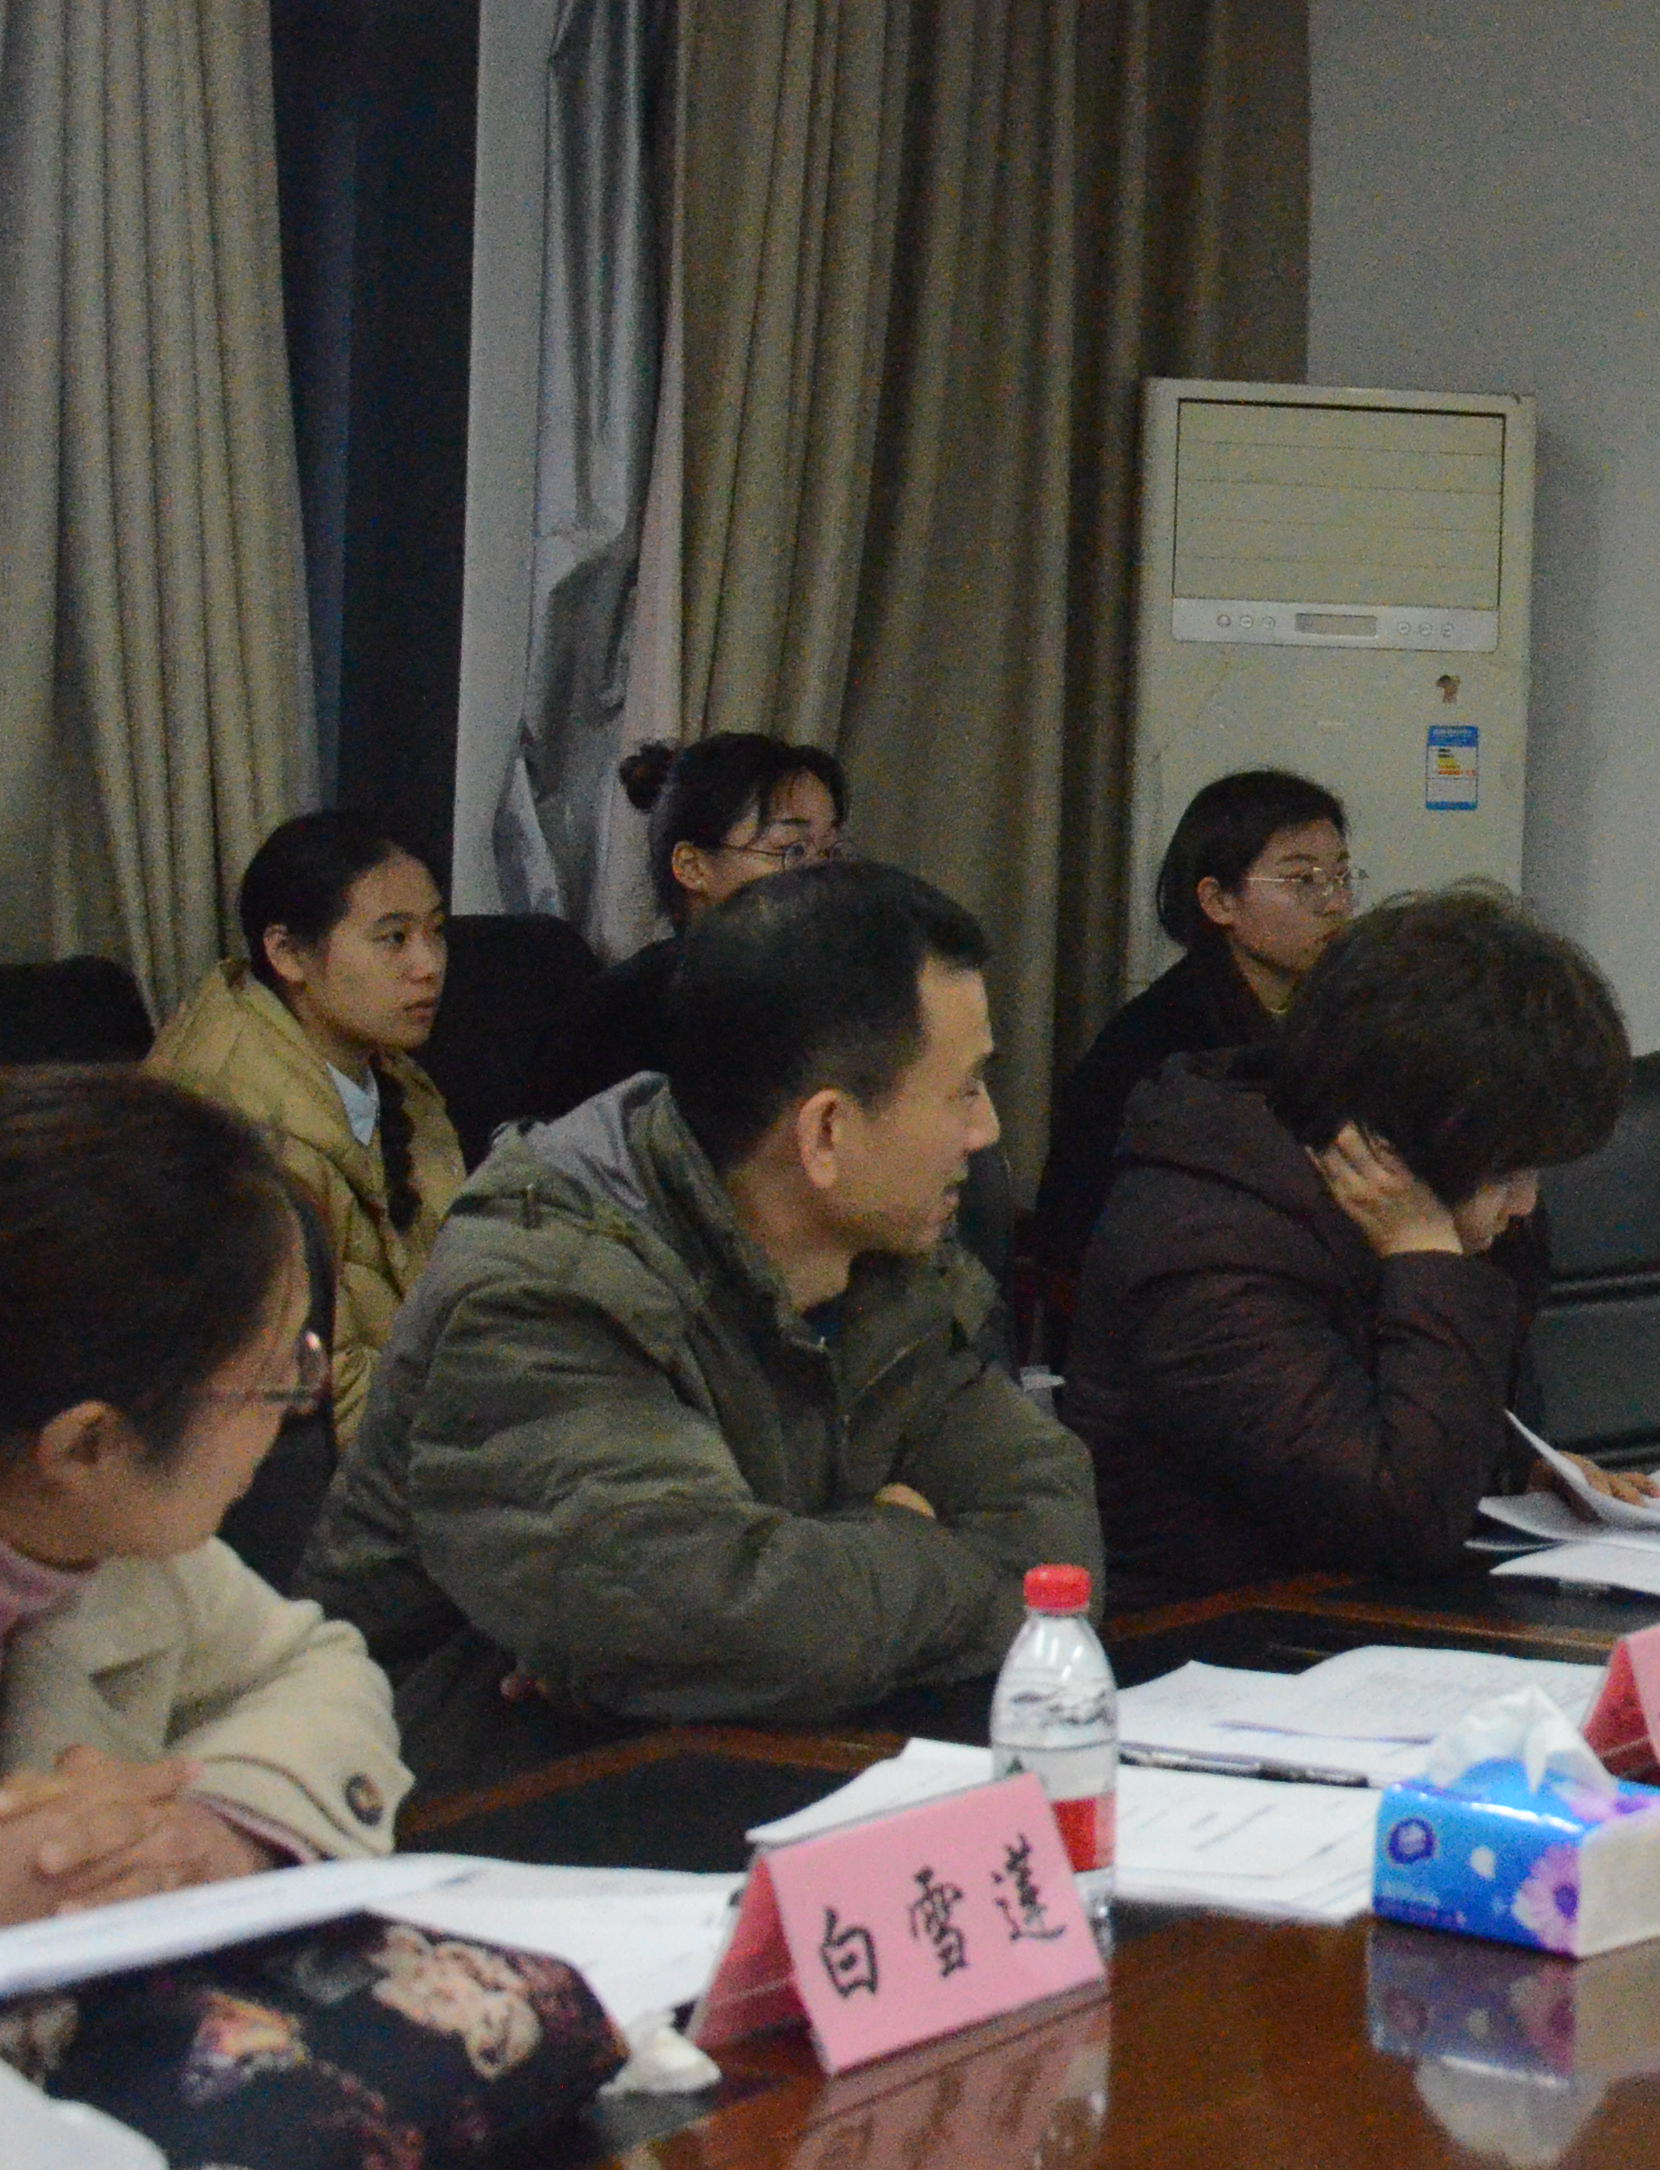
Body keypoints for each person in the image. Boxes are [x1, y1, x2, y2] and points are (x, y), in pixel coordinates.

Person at [309, 862, 1097, 1794]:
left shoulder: (884, 1254)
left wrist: (809, 1594)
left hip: (750, 1765)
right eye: (963, 1090)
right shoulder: (545, 1285)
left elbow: (1054, 1535)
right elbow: (715, 1625)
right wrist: (906, 1533)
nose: (986, 1130)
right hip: (476, 1806)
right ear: (826, 1134)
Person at [0, 1069, 406, 2010]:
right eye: (277, 1379)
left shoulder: (94, 1534)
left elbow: (314, 1668)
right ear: (86, 1442)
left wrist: (217, 1830)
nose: (295, 1409)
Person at [1061, 886, 1629, 1613]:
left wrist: (1518, 1474)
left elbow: (1414, 1431)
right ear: (1403, 1133)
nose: (1524, 1205)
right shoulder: (1205, 1237)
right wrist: (1426, 1257)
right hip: (1205, 1639)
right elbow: (1399, 1520)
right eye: (1506, 1172)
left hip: (1365, 1622)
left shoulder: (1409, 1200)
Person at [147, 812, 464, 1435]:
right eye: (393, 938)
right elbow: (318, 1391)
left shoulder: (387, 1071)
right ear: (287, 953)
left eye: (436, 932)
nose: (429, 965)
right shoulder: (235, 1119)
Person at [1027, 772, 1354, 1295]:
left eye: (1341, 875)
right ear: (1218, 901)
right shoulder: (1158, 1046)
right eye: (1302, 880)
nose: (1336, 902)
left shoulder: (1334, 1016)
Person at [514, 734, 847, 1123]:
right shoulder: (621, 1016)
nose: (823, 875)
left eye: (829, 851)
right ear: (692, 866)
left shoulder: (838, 997)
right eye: (792, 850)